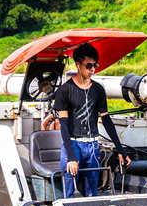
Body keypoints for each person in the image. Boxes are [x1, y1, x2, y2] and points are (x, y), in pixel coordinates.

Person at [53, 43, 130, 197]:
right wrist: (71, 156)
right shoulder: (64, 90)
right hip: (73, 143)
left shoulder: (98, 89)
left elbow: (106, 121)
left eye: (95, 65)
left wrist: (120, 150)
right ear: (77, 65)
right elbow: (64, 125)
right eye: (89, 66)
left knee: (92, 190)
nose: (93, 70)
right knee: (68, 188)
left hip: (93, 145)